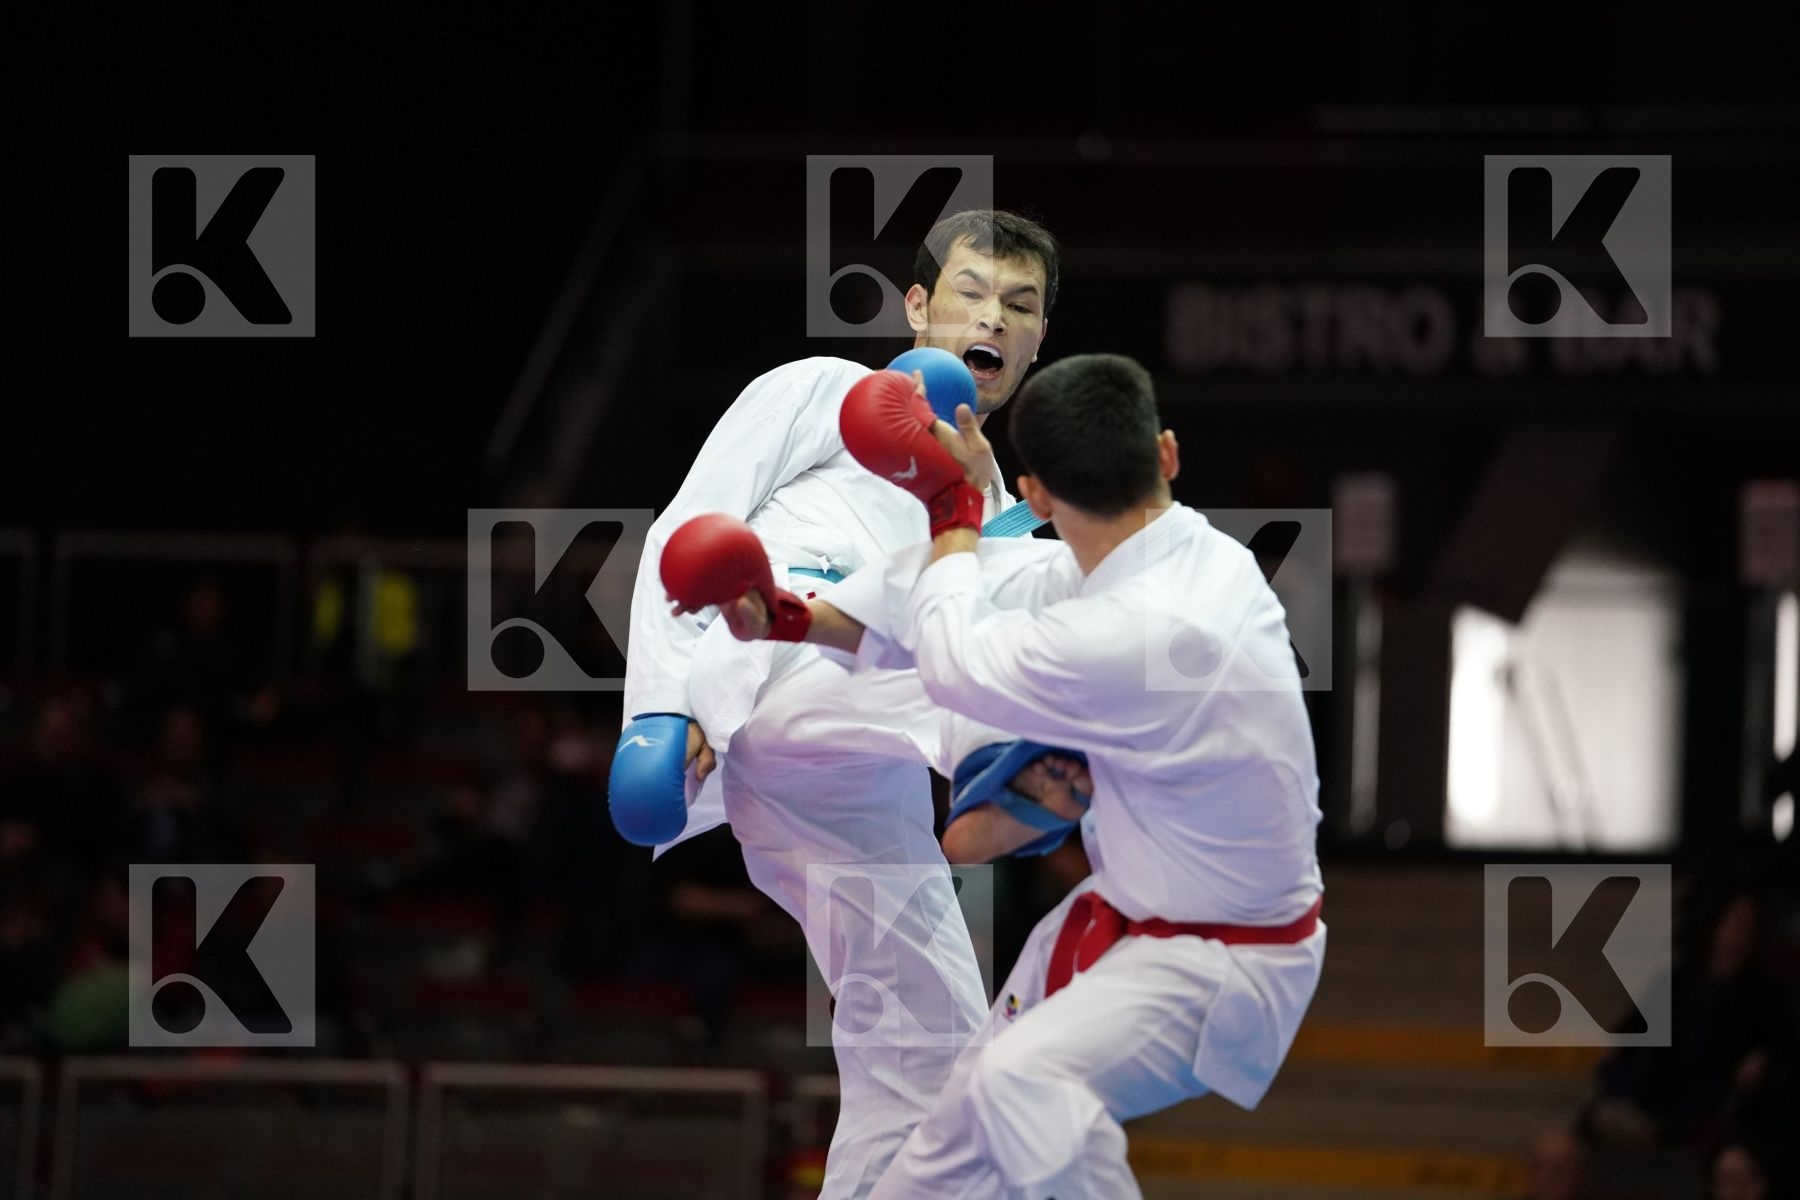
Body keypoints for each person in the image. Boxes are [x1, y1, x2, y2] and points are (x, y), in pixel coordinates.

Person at [705, 353, 1326, 1197]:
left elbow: (956, 655)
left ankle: (1040, 783)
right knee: (942, 1149)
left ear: (1033, 496)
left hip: (1219, 965)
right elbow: (995, 584)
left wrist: (953, 502)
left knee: (1019, 1083)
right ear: (1168, 454)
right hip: (1126, 917)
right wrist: (790, 617)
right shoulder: (1193, 556)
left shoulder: (1134, 632)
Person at [615, 210, 1061, 1198]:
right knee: (1015, 594)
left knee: (937, 1060)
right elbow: (687, 531)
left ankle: (1026, 758)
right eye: (972, 292)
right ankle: (1014, 757)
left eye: (1019, 306)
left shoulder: (1010, 510)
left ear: (1036, 343)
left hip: (864, 789)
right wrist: (660, 711)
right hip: (767, 669)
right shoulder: (820, 392)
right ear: (916, 308)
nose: (994, 316)